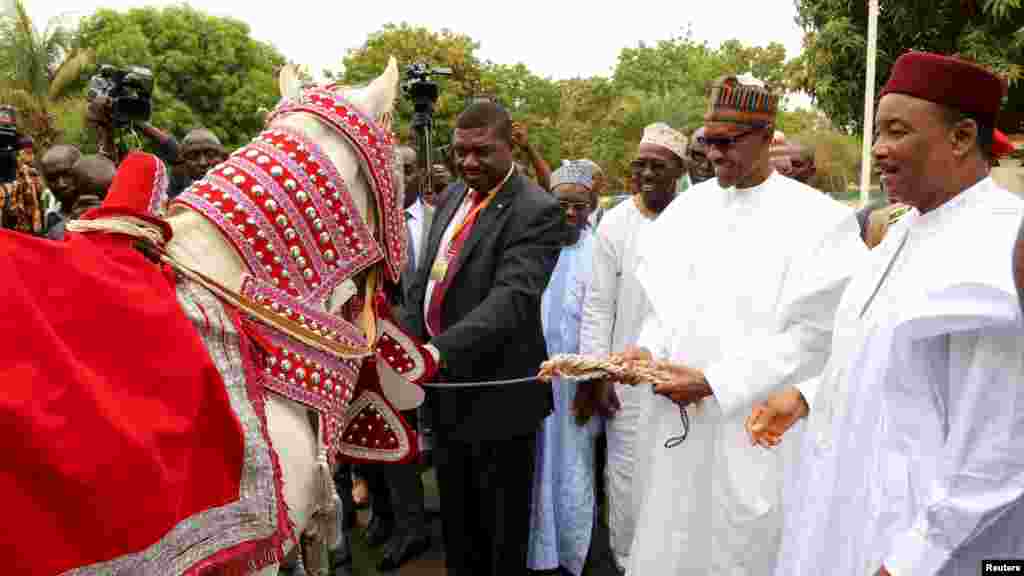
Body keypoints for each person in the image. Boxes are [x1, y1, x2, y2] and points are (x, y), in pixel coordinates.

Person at [748, 51, 1024, 576]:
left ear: (962, 138)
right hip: (845, 518)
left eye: (896, 131)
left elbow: (1003, 440)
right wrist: (807, 397)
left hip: (929, 547)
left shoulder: (1000, 244)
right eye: (877, 131)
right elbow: (879, 356)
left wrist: (910, 560)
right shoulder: (903, 230)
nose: (877, 149)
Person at [623, 74, 866, 576]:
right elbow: (660, 311)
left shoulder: (819, 221)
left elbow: (817, 337)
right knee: (672, 548)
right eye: (707, 141)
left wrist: (716, 382)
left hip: (760, 430)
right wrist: (645, 352)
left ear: (766, 134)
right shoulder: (686, 210)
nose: (713, 154)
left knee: (750, 551)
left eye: (726, 142)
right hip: (678, 432)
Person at [397, 100, 568, 576]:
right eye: (460, 153)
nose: (468, 163)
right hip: (446, 395)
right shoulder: (453, 195)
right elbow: (425, 280)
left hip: (499, 399)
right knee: (459, 526)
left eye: (481, 153)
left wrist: (436, 351)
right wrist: (408, 340)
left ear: (510, 144)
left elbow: (511, 300)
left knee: (500, 533)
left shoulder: (538, 209)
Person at [577, 122, 686, 574]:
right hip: (625, 380)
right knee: (624, 482)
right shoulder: (616, 223)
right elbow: (598, 306)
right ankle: (626, 564)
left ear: (678, 169)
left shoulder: (694, 218)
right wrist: (596, 373)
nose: (645, 173)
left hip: (681, 379)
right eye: (639, 164)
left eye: (656, 166)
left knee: (676, 481)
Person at [360, 144, 433, 572]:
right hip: (372, 346)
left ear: (415, 175)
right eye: (388, 170)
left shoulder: (442, 215)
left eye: (404, 169)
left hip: (428, 348)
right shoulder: (363, 219)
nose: (395, 177)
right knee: (377, 438)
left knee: (411, 442)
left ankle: (412, 525)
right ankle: (391, 519)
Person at [528, 160, 600, 576]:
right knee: (537, 468)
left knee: (573, 468)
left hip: (577, 385)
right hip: (536, 380)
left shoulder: (599, 253)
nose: (569, 213)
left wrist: (593, 381)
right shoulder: (536, 246)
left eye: (578, 205)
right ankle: (539, 553)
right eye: (561, 204)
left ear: (591, 206)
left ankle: (573, 554)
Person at [1, 140, 44, 234]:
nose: (30, 155)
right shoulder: (14, 170)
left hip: (32, 214)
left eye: (31, 153)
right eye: (27, 152)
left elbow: (39, 192)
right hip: (18, 214)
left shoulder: (33, 171)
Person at [40, 145, 82, 236]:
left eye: (67, 174)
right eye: (52, 178)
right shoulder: (52, 222)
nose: (61, 184)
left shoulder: (105, 215)